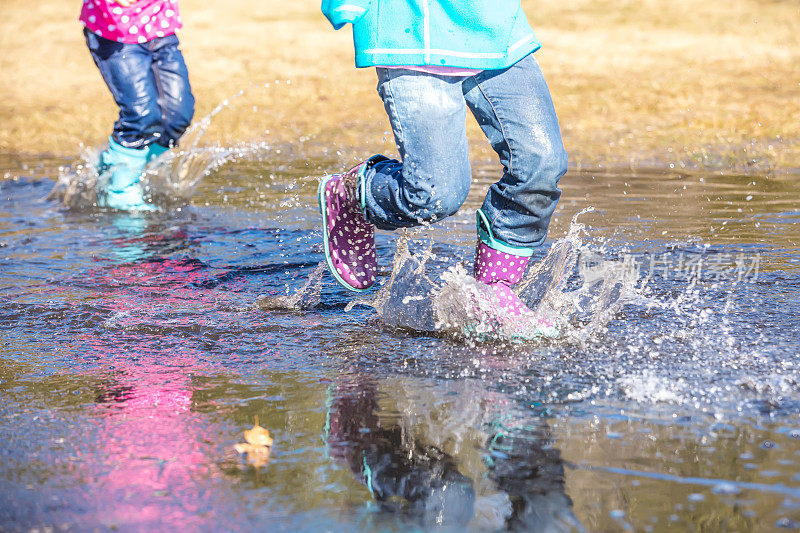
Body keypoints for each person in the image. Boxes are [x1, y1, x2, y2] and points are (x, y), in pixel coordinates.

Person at [318, 0, 568, 317]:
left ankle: (494, 289)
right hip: (411, 35)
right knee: (433, 196)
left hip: (495, 28)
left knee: (540, 165)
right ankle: (355, 193)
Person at [80, 0, 195, 211]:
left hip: (160, 27)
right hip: (114, 34)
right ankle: (119, 192)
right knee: (141, 114)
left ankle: (122, 166)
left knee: (179, 115)